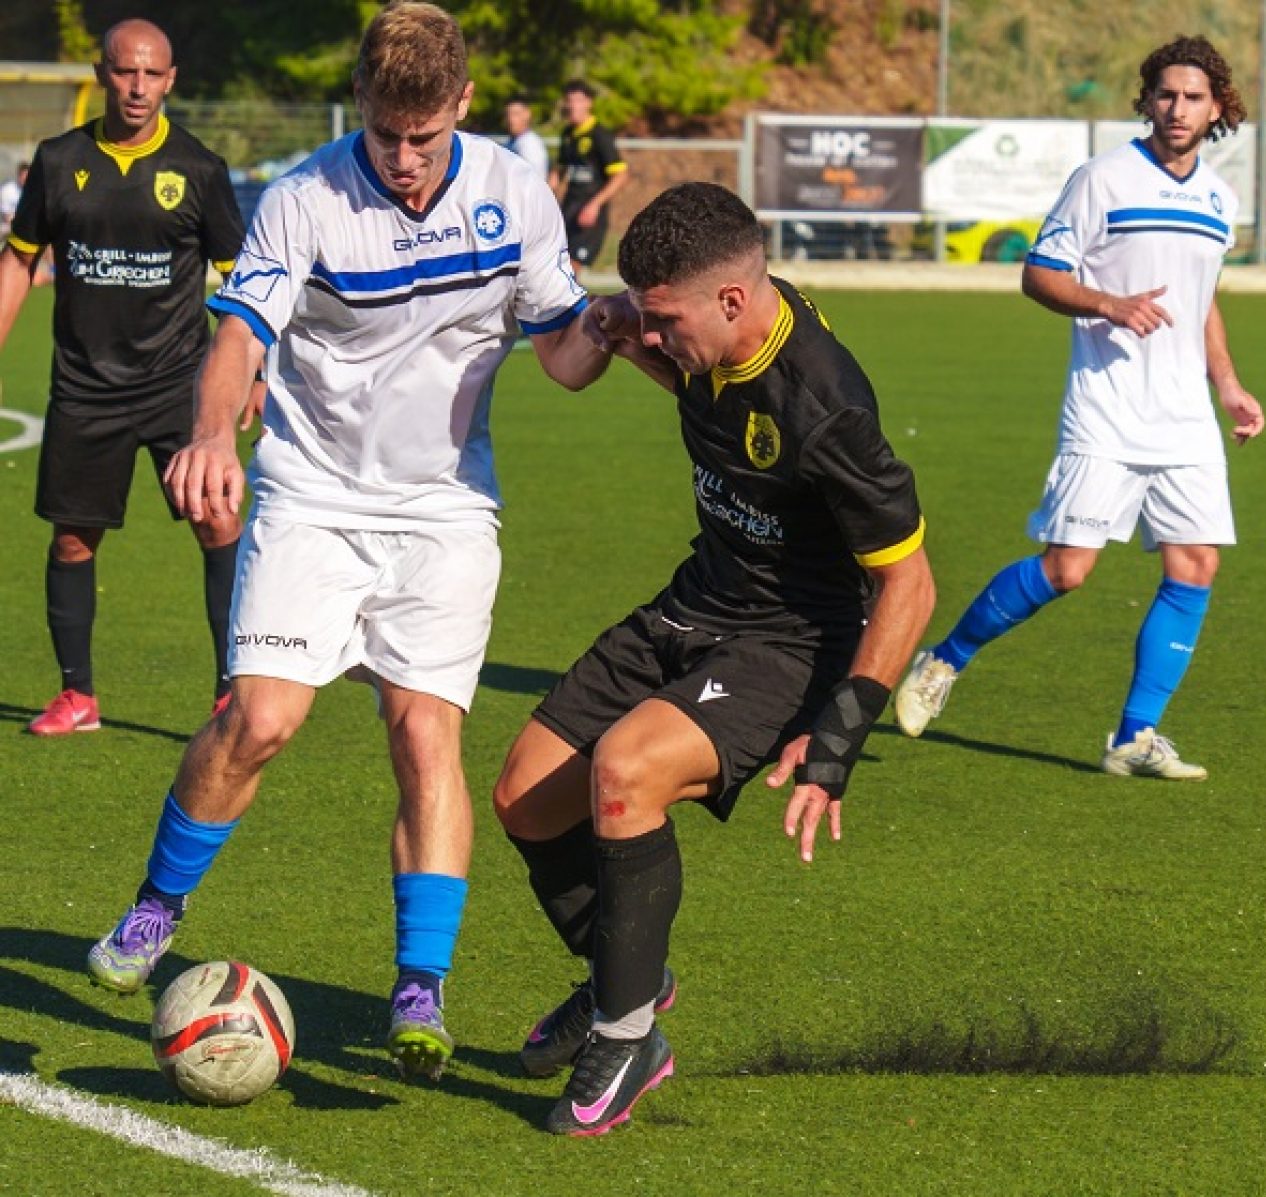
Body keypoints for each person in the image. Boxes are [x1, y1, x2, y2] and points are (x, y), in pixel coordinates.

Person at [84, 1, 611, 1083]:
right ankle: (155, 907)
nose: (406, 160)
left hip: (446, 508)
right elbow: (240, 336)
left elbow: (563, 358)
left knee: (425, 736)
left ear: (463, 104)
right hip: (312, 494)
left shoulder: (516, 192)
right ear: (360, 104)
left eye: (426, 137)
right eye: (385, 135)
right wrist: (210, 436)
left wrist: (616, 330)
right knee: (260, 720)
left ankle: (420, 986)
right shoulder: (304, 198)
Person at [492, 181, 935, 1135]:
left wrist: (838, 737)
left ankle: (626, 1035)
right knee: (526, 796)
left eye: (665, 320)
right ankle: (629, 978)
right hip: (700, 598)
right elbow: (701, 387)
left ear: (732, 299)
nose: (652, 333)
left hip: (791, 639)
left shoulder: (825, 405)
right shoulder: (719, 332)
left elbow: (910, 584)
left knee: (624, 773)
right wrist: (627, 338)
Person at [894, 35, 1265, 780]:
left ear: (1218, 108)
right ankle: (945, 660)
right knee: (1067, 569)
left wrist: (1227, 384)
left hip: (1186, 417)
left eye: (1193, 97)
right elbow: (1039, 274)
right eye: (1165, 94)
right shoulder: (1103, 179)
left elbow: (1202, 301)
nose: (1178, 108)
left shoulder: (1219, 199)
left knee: (1196, 563)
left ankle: (1135, 736)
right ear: (1146, 100)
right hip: (1107, 408)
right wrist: (1108, 303)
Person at [0, 22, 244, 735]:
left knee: (218, 522)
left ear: (171, 80)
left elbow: (241, 283)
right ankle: (77, 697)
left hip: (179, 385)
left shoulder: (199, 168)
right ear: (102, 73)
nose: (138, 87)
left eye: (152, 74)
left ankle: (232, 692)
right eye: (125, 71)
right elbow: (19, 262)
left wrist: (252, 378)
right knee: (73, 542)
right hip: (84, 387)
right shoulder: (58, 161)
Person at [549, 79, 628, 276]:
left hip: (590, 211)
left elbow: (620, 175)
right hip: (569, 207)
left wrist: (595, 205)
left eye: (578, 100)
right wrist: (545, 194)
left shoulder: (600, 135)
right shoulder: (568, 134)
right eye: (569, 100)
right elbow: (559, 170)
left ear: (588, 103)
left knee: (570, 268)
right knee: (559, 265)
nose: (573, 105)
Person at [501, 93, 548, 177]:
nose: (511, 119)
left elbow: (533, 179)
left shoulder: (530, 145)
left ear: (527, 114)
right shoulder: (511, 142)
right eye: (508, 114)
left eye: (516, 114)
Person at [0, 161, 26, 238]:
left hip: (24, 225)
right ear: (19, 175)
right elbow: (6, 216)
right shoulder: (7, 190)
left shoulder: (32, 192)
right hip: (6, 225)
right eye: (24, 176)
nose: (26, 179)